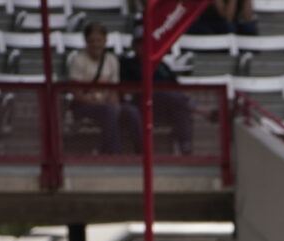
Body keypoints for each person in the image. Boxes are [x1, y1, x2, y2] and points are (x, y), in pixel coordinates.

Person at [67, 22, 143, 155]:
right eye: (92, 40)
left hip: (106, 104)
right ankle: (113, 154)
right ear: (86, 41)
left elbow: (114, 89)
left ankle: (142, 153)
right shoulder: (78, 61)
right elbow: (77, 94)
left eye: (99, 40)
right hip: (84, 105)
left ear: (105, 41)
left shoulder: (111, 60)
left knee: (132, 112)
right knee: (109, 111)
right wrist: (99, 103)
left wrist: (115, 104)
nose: (96, 44)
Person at [120, 25, 197, 156]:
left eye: (147, 43)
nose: (144, 46)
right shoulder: (127, 64)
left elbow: (176, 86)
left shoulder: (161, 64)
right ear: (134, 46)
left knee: (180, 104)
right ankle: (201, 112)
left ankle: (186, 148)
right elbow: (127, 89)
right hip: (141, 104)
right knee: (178, 101)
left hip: (164, 107)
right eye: (140, 43)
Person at [187, 0, 257, 35]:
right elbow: (227, 16)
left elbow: (247, 17)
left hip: (231, 22)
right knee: (229, 27)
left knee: (249, 28)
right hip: (210, 22)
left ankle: (247, 53)